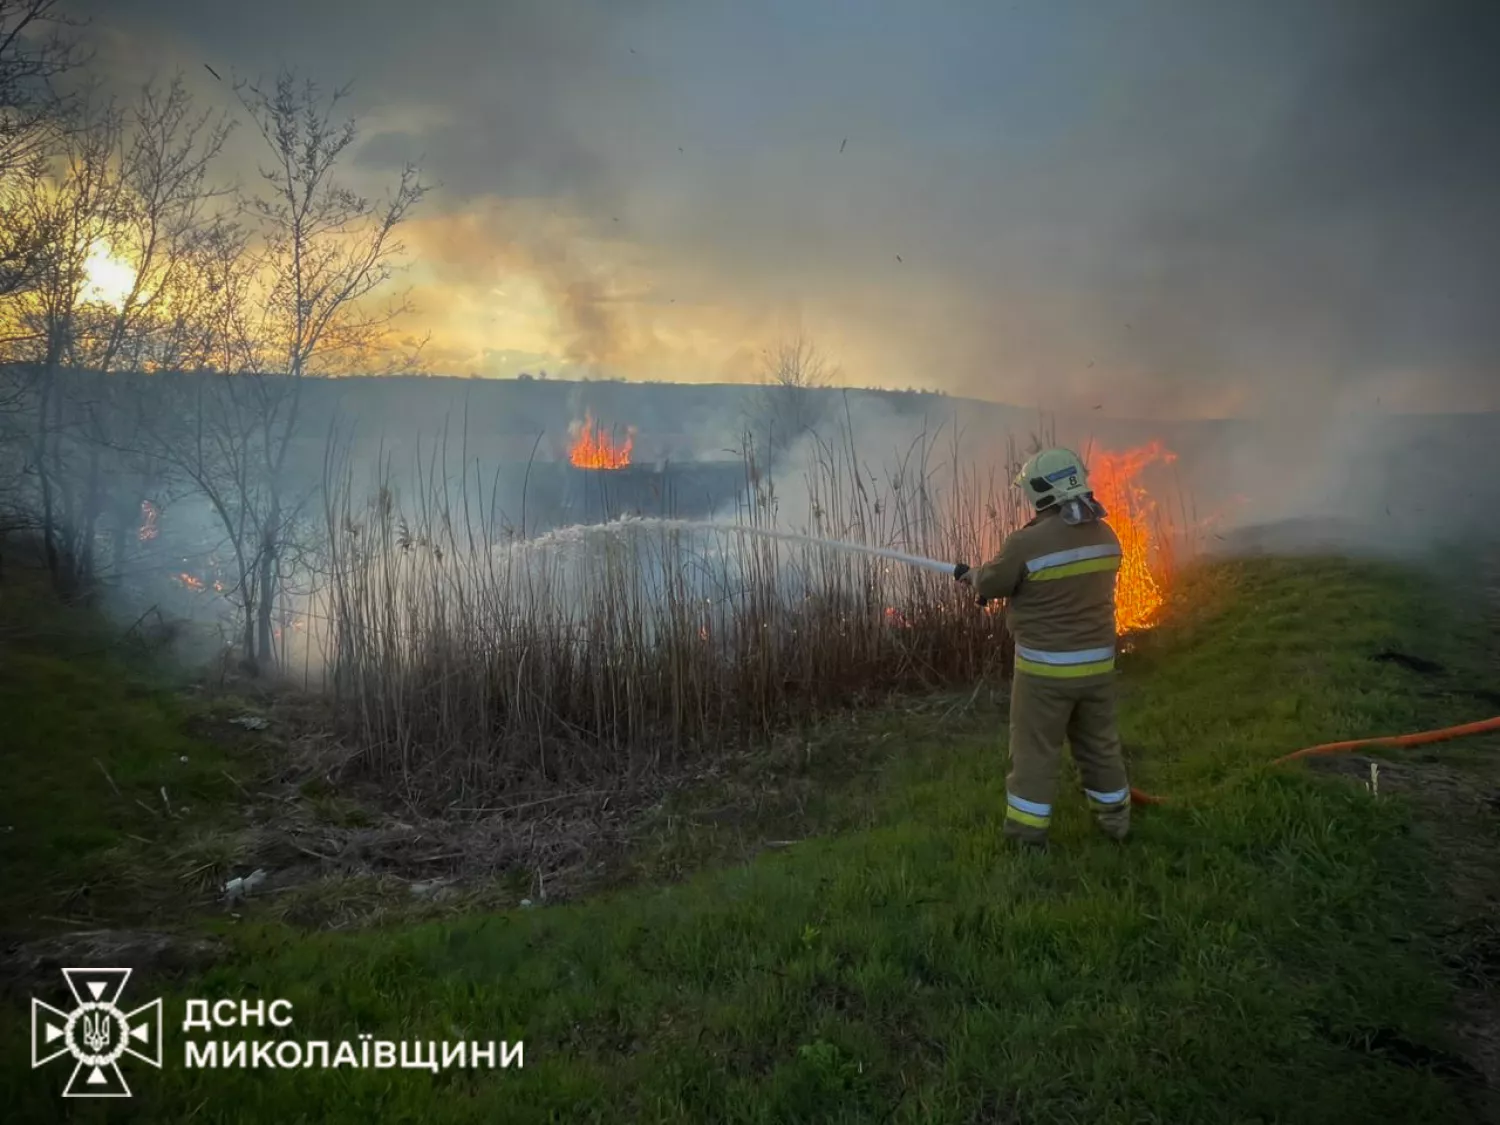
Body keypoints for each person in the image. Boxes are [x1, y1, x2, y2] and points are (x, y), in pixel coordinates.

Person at [953, 447, 1131, 848]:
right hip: (1098, 669)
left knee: (1035, 753)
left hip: (1045, 674)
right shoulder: (1107, 535)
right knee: (1100, 746)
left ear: (1040, 491)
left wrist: (972, 577)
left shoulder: (1026, 543)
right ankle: (1115, 822)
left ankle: (1026, 838)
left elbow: (993, 583)